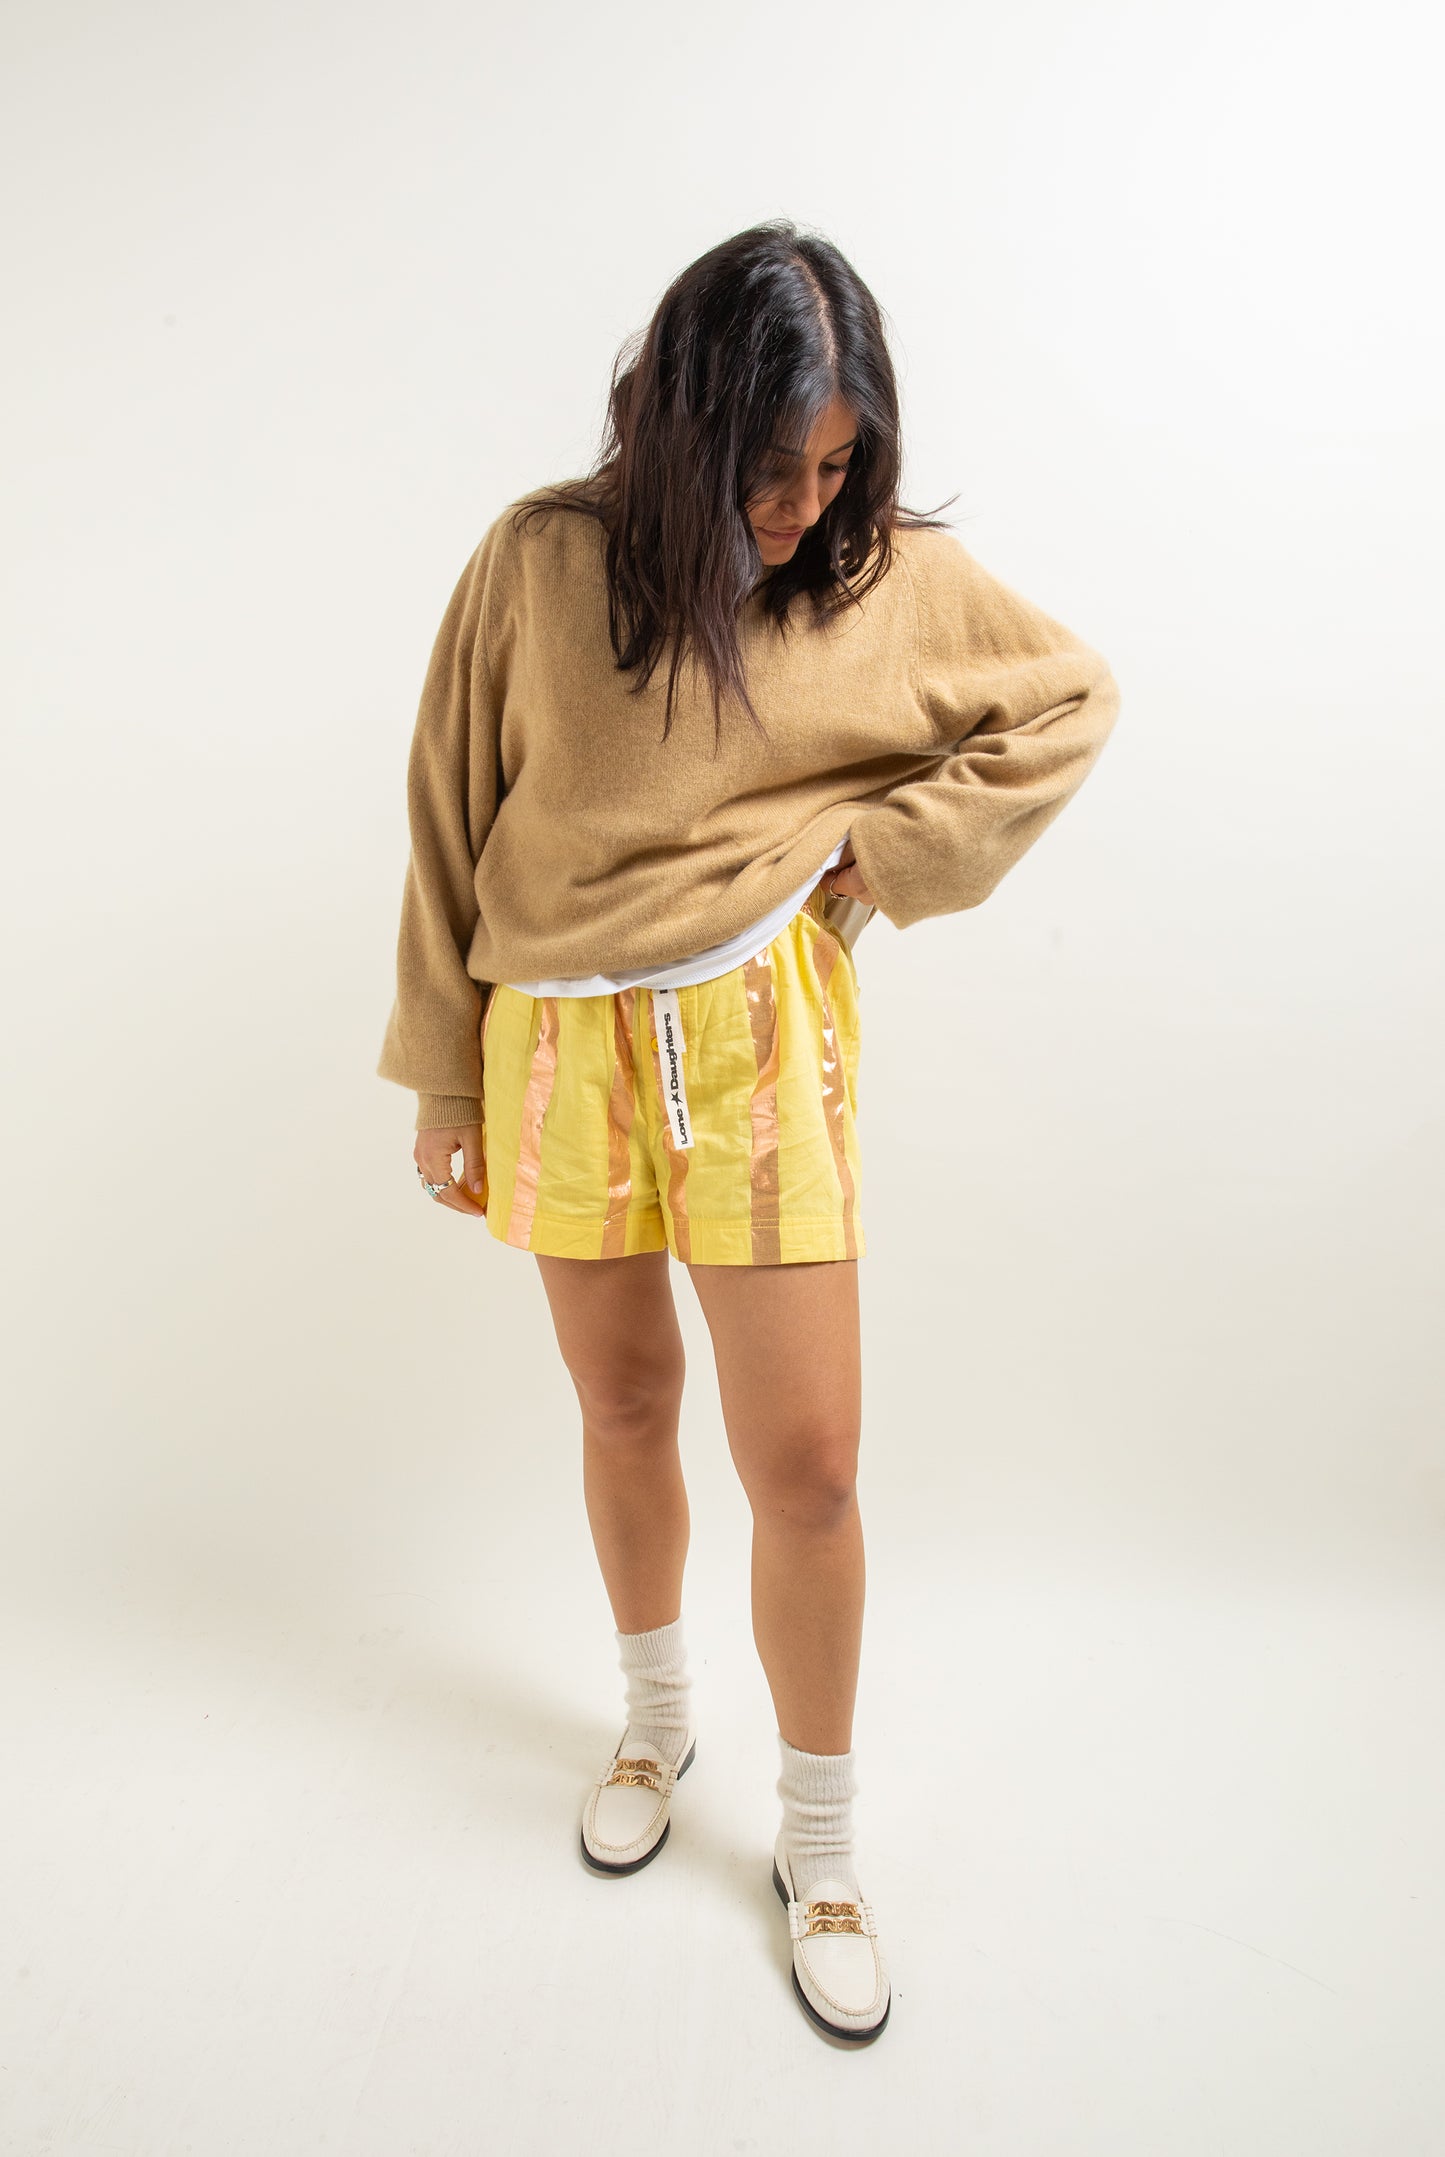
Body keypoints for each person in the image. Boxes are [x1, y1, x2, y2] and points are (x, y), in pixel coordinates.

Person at [376, 218, 1121, 2044]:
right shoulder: (538, 559)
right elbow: (449, 809)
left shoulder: (879, 578)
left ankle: (822, 1843)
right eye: (773, 465)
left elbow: (1065, 698)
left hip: (752, 1036)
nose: (803, 506)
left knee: (809, 1467)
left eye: (838, 464)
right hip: (555, 1032)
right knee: (623, 1401)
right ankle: (653, 1721)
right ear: (682, 424)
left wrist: (882, 852)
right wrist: (448, 1073)